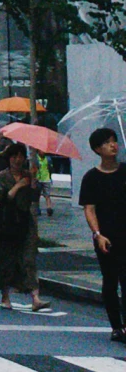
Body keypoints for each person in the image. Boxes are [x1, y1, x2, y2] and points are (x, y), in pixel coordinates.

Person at [81, 125, 126, 341]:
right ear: (97, 149)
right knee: (110, 280)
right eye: (107, 142)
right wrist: (97, 234)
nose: (113, 145)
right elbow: (89, 208)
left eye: (114, 140)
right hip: (106, 237)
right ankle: (116, 326)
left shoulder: (125, 171)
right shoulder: (91, 177)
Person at [0, 141, 42, 312]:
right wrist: (18, 186)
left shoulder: (27, 175)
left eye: (21, 156)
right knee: (7, 259)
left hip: (25, 222)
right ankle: (5, 295)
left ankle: (35, 297)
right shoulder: (2, 177)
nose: (17, 160)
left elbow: (33, 198)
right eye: (14, 156)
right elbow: (1, 199)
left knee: (28, 258)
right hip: (7, 223)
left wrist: (33, 182)